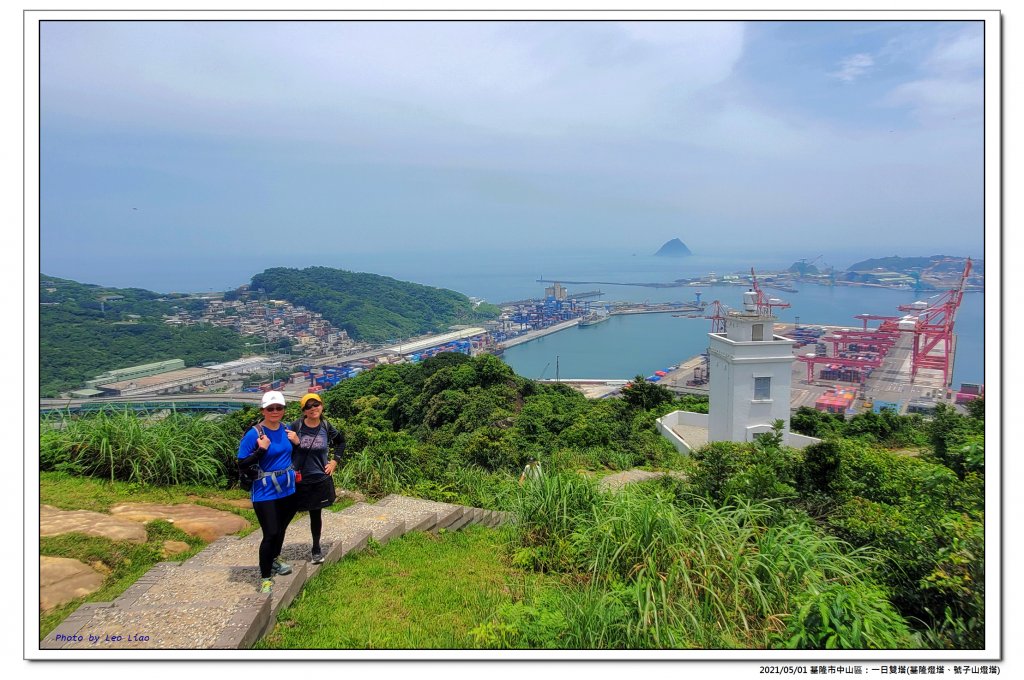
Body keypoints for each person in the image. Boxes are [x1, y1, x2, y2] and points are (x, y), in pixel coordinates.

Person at [237, 391, 300, 594]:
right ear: (263, 410)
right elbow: (241, 464)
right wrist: (260, 450)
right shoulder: (255, 434)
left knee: (281, 529)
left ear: (283, 410)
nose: (275, 411)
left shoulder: (286, 429)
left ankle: (275, 559)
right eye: (270, 408)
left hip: (288, 488)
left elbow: (291, 455)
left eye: (279, 408)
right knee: (270, 532)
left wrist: (297, 443)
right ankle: (265, 577)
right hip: (265, 491)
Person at [290, 393, 346, 565]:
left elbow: (341, 442)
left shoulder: (326, 426)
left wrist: (334, 461)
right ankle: (274, 553)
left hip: (319, 479)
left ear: (322, 406)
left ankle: (316, 548)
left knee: (316, 515)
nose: (313, 408)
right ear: (304, 410)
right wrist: (296, 442)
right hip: (298, 479)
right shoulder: (295, 426)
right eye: (309, 406)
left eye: (316, 405)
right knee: (285, 514)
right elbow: (280, 447)